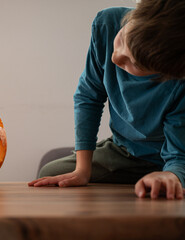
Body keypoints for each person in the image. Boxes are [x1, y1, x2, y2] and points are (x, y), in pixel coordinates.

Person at [28, 0, 185, 200]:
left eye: (133, 63)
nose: (115, 58)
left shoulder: (179, 81)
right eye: (122, 41)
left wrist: (171, 175)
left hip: (174, 155)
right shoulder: (107, 24)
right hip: (125, 151)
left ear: (166, 73)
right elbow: (88, 96)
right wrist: (82, 170)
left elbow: (179, 154)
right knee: (50, 174)